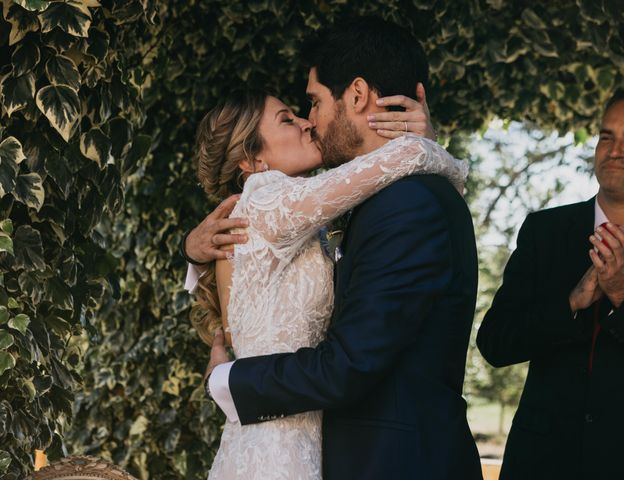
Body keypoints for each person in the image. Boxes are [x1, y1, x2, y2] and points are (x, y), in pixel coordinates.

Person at [191, 17, 483, 480]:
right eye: (293, 115)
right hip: (291, 449)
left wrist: (229, 381)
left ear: (358, 94)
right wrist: (195, 251)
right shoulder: (278, 197)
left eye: (312, 102)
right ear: (252, 159)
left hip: (391, 462)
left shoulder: (408, 201)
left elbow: (350, 363)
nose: (310, 121)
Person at [476, 89, 624, 480]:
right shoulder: (545, 231)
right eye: (607, 137)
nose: (614, 151)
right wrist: (571, 303)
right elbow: (495, 343)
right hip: (539, 462)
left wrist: (621, 296)